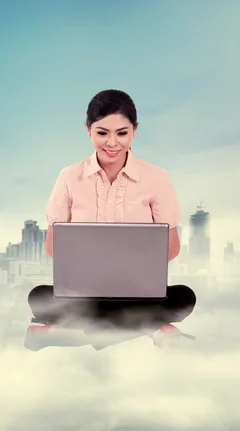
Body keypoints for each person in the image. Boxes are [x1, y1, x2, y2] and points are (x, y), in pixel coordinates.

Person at [27, 89, 196, 348]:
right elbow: (53, 248)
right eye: (102, 133)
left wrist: (133, 266)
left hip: (138, 292)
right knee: (39, 297)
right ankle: (151, 326)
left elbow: (171, 248)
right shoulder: (69, 177)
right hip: (84, 294)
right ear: (88, 130)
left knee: (184, 297)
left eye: (122, 133)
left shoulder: (157, 178)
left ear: (134, 130)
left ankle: (65, 333)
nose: (112, 143)